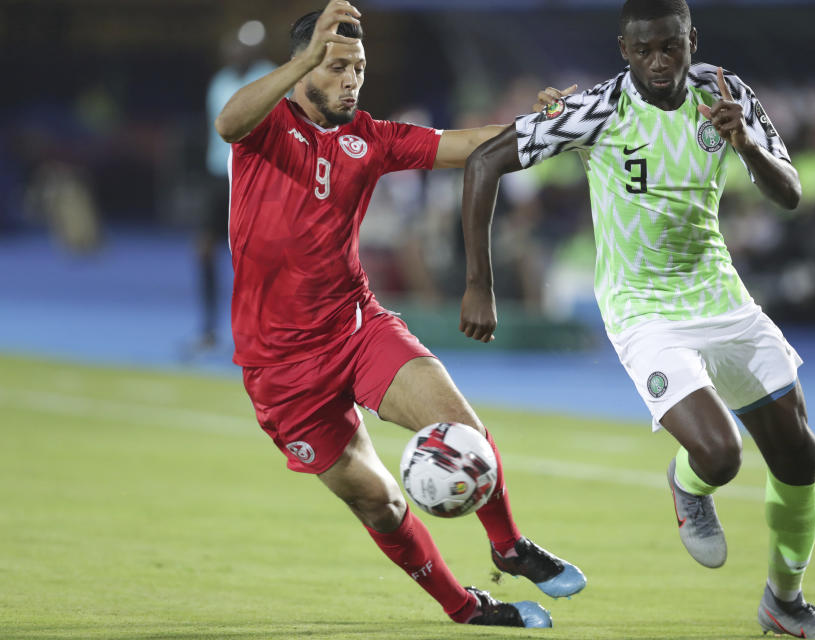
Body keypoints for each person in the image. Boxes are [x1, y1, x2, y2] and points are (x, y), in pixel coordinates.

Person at [458, 1, 815, 638]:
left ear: (691, 39)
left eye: (671, 46)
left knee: (800, 456)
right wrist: (480, 284)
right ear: (624, 48)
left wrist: (745, 143)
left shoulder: (727, 94)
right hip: (642, 307)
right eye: (644, 50)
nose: (659, 61)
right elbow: (484, 162)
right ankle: (688, 484)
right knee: (719, 454)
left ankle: (786, 604)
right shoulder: (595, 110)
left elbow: (790, 194)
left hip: (718, 294)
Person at [215, 2, 585, 629]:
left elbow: (468, 146)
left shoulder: (371, 138)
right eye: (334, 67)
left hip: (354, 327)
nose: (351, 79)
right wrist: (304, 59)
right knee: (381, 503)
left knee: (462, 428)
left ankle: (509, 545)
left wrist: (551, 125)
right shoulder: (265, 129)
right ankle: (466, 608)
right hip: (281, 371)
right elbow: (227, 122)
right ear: (302, 68)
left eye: (358, 67)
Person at [197, 25, 275, 351]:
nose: (236, 52)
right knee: (203, 250)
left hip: (254, 178)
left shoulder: (271, 79)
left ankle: (263, 332)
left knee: (255, 258)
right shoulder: (219, 82)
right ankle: (209, 328)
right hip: (218, 177)